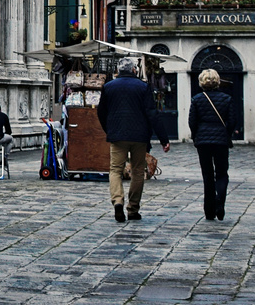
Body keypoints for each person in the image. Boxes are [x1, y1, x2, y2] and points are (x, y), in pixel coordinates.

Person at [97, 57, 170, 223]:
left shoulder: (108, 87)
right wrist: (164, 139)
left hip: (118, 135)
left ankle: (117, 201)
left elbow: (101, 112)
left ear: (118, 70)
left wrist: (109, 130)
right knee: (137, 171)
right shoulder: (143, 87)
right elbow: (152, 114)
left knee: (115, 169)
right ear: (133, 70)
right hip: (139, 136)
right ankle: (133, 208)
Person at [188, 70, 235, 221]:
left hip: (203, 141)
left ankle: (209, 210)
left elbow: (192, 122)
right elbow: (232, 121)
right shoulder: (226, 99)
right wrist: (226, 134)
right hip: (221, 141)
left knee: (207, 175)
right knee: (221, 173)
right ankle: (220, 201)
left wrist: (196, 136)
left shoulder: (197, 99)